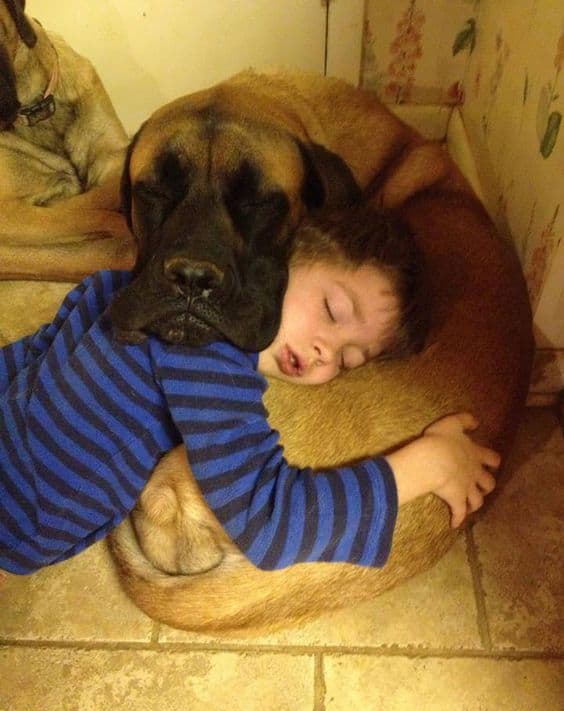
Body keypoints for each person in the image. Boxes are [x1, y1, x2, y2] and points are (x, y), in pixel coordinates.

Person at [0, 206, 500, 577]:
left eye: (349, 359)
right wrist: (426, 465)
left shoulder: (154, 283)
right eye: (332, 310)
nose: (327, 350)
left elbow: (48, 341)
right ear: (278, 262)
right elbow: (270, 520)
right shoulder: (209, 352)